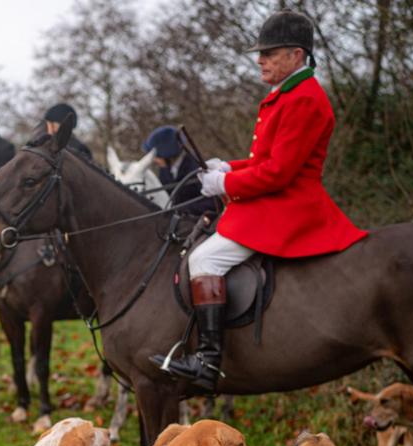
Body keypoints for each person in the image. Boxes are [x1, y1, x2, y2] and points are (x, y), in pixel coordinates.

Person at [152, 10, 367, 391]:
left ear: (296, 55)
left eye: (269, 53)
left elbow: (279, 173)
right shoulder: (287, 94)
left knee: (205, 259)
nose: (260, 60)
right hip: (275, 196)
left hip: (288, 204)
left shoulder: (303, 99)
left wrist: (225, 184)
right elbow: (263, 161)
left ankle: (208, 360)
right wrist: (226, 166)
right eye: (261, 53)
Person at [142, 126, 209, 216]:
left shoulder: (193, 167)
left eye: (156, 156)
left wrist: (182, 210)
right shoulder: (168, 167)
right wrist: (164, 168)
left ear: (165, 153)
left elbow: (174, 195)